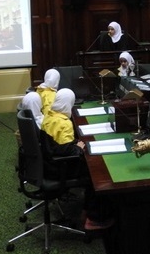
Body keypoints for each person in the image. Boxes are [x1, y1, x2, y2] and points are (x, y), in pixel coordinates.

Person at [40, 89, 112, 231]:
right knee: (97, 173)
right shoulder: (64, 123)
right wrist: (78, 147)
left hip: (48, 164)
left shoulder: (48, 115)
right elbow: (67, 150)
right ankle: (94, 218)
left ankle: (86, 211)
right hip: (60, 167)